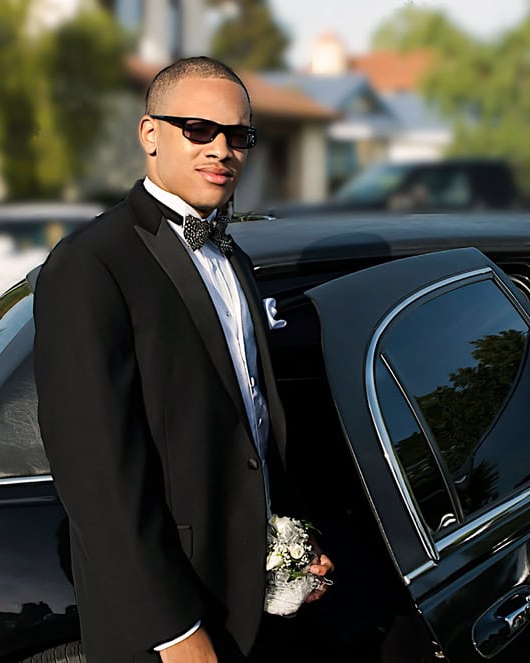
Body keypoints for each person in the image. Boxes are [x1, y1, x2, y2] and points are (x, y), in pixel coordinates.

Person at [33, 56, 332, 662]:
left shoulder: (234, 257)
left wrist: (295, 544)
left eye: (238, 136)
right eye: (198, 129)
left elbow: (253, 420)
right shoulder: (90, 264)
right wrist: (173, 629)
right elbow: (96, 475)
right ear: (150, 134)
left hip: (254, 592)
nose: (221, 149)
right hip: (169, 612)